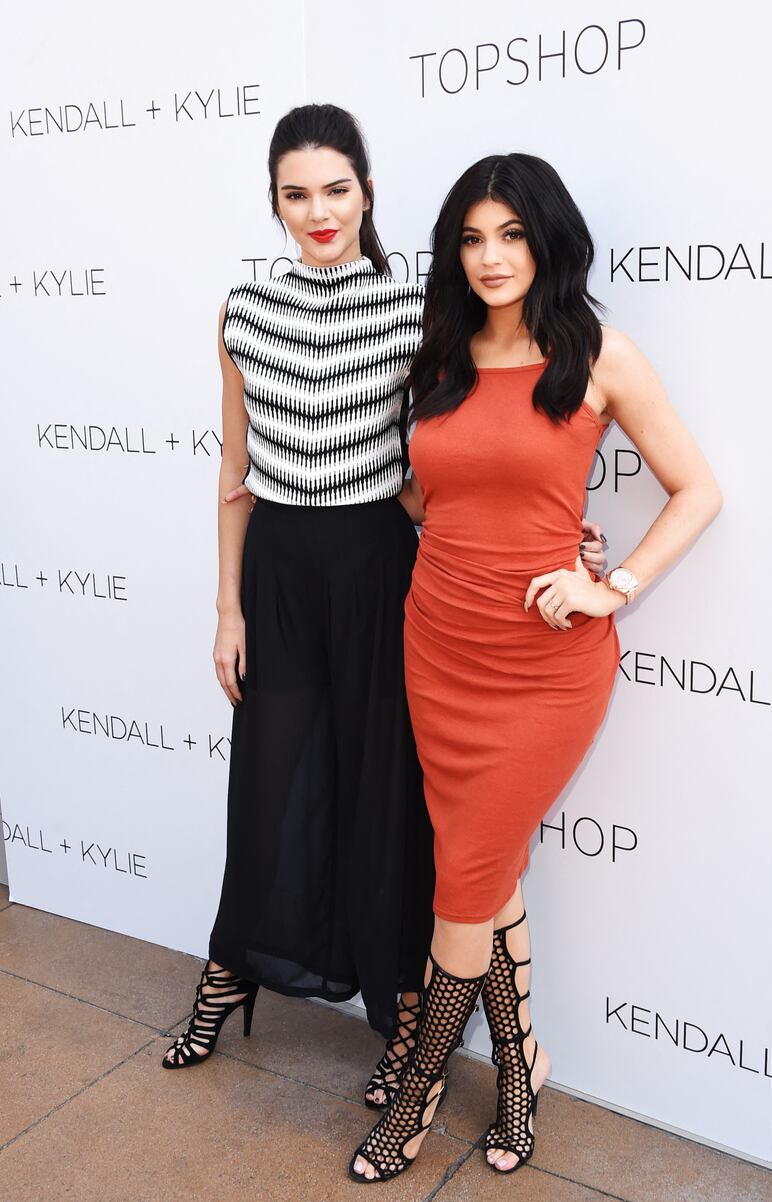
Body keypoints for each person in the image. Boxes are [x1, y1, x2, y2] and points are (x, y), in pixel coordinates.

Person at [163, 108, 608, 1109]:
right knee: (267, 777)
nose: (316, 212)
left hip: (378, 565)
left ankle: (401, 1002)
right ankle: (231, 963)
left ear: (365, 191)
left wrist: (562, 541)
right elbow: (232, 472)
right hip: (276, 563)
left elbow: (458, 459)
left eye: (334, 189)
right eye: (293, 194)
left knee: (381, 794)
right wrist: (226, 608)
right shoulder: (241, 309)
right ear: (273, 203)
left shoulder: (419, 311)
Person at [349, 153, 722, 1183]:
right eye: (470, 237)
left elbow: (695, 489)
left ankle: (423, 1080)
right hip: (438, 644)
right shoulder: (438, 357)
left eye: (509, 234)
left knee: (464, 875)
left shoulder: (597, 351)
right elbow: (430, 498)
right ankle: (519, 1066)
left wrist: (613, 582)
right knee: (487, 862)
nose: (488, 256)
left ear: (546, 239)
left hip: (544, 664)